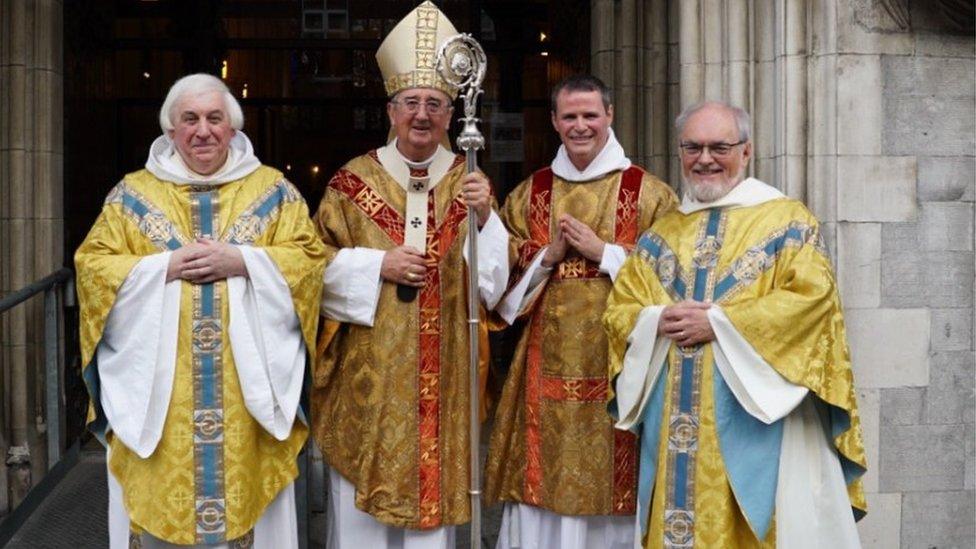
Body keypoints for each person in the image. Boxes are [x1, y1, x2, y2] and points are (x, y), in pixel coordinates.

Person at [75, 73, 325, 548]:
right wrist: (163, 267)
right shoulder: (130, 197)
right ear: (170, 131)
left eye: (215, 118)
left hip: (244, 399)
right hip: (161, 401)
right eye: (189, 119)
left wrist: (244, 261)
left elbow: (311, 262)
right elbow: (92, 267)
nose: (203, 130)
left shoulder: (274, 192)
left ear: (233, 128)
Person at [604, 100, 867, 548]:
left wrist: (721, 324)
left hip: (764, 423)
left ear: (746, 151)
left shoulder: (789, 221)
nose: (704, 159)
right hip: (674, 426)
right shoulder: (661, 234)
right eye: (692, 147)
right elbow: (620, 311)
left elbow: (814, 301)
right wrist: (656, 320)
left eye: (719, 146)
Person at [310, 2, 509, 548]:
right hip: (367, 380)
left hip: (444, 376)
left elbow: (494, 289)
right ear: (390, 109)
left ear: (451, 115)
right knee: (361, 526)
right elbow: (308, 269)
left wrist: (487, 218)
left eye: (436, 104)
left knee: (434, 520)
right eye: (411, 103)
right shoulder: (351, 183)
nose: (422, 114)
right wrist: (378, 265)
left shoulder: (469, 180)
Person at [484, 75, 677, 549]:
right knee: (542, 483)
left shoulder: (648, 193)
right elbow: (495, 281)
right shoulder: (532, 193)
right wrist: (546, 258)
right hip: (543, 374)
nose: (580, 126)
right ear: (553, 122)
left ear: (610, 116)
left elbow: (677, 275)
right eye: (569, 116)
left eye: (590, 115)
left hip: (620, 372)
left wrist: (606, 252)